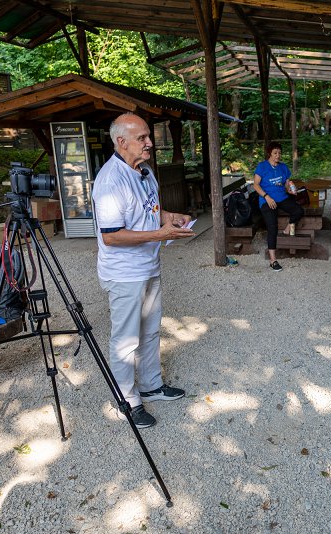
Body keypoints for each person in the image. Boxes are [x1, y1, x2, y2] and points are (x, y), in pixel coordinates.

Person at [91, 112, 192, 429]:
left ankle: (151, 385)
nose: (150, 143)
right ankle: (127, 400)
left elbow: (152, 208)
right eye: (142, 138)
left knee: (149, 332)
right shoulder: (110, 182)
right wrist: (160, 235)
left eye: (149, 136)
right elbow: (111, 235)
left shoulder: (145, 172)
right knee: (125, 340)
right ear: (121, 142)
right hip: (123, 274)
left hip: (149, 267)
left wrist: (170, 218)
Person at [253, 142, 304, 271]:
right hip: (267, 200)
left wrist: (291, 189)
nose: (278, 155)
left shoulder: (283, 167)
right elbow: (256, 185)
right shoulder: (262, 167)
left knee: (298, 210)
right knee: (272, 227)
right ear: (269, 153)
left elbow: (286, 184)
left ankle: (287, 228)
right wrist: (266, 197)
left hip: (282, 198)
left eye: (279, 153)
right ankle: (273, 260)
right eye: (275, 153)